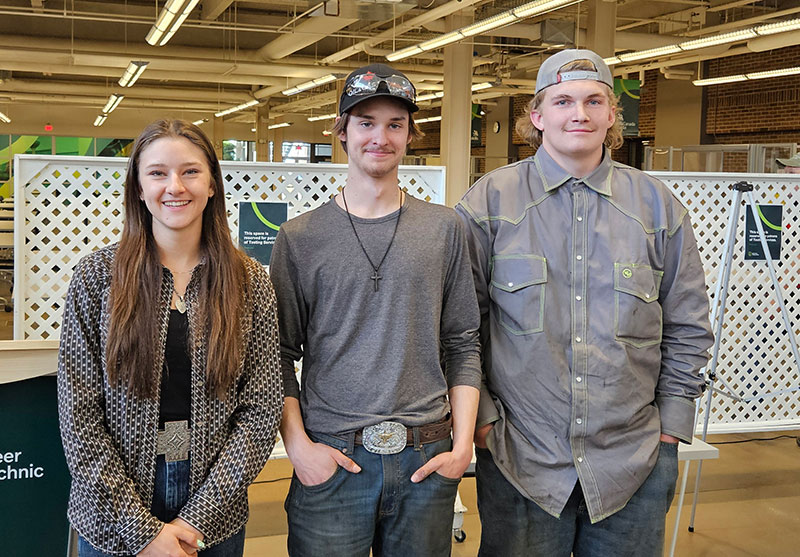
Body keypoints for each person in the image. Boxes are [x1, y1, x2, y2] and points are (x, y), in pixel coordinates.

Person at [456, 49, 714, 556]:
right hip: (521, 459)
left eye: (595, 100)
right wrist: (483, 420)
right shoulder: (489, 204)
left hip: (634, 459)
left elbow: (687, 324)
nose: (580, 113)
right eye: (563, 101)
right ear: (536, 115)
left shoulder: (658, 208)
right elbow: (462, 324)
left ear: (613, 114)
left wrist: (672, 427)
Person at [269, 63, 481, 557]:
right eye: (365, 122)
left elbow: (463, 342)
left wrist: (461, 447)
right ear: (341, 132)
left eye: (394, 124)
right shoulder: (299, 238)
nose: (380, 137)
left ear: (410, 135)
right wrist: (298, 448)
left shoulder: (445, 229)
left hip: (426, 458)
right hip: (334, 461)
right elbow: (276, 354)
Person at [58, 119, 284, 557]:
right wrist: (144, 532)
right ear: (139, 189)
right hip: (111, 515)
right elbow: (78, 419)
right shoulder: (96, 278)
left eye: (190, 171)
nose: (174, 186)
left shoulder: (249, 281)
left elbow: (261, 407)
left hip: (213, 510)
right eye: (158, 173)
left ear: (213, 184)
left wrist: (194, 520)